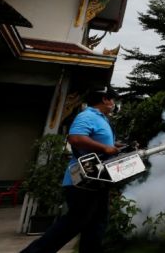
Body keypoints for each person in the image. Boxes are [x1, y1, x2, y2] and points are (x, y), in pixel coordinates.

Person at [21, 87, 120, 253]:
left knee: (96, 225)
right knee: (74, 223)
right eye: (112, 99)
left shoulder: (102, 119)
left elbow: (92, 142)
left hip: (97, 181)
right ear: (104, 99)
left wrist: (113, 146)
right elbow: (75, 138)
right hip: (82, 182)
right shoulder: (87, 115)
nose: (113, 103)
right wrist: (105, 148)